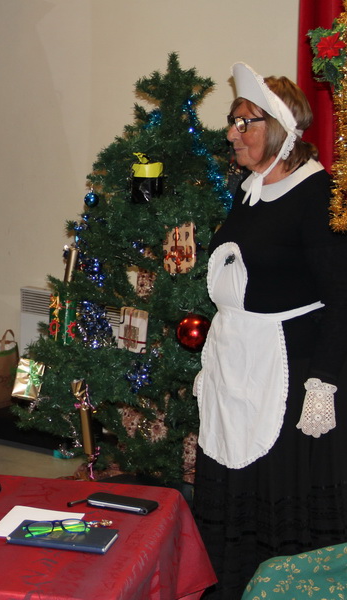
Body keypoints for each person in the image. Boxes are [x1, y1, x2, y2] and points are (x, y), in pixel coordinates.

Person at [192, 63, 347, 598]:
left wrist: (323, 382)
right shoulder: (250, 188)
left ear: (279, 128)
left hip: (289, 374)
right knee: (236, 486)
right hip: (237, 365)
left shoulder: (316, 193)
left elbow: (342, 295)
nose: (232, 134)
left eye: (245, 123)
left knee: (279, 494)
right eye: (232, 122)